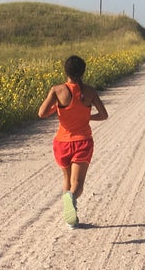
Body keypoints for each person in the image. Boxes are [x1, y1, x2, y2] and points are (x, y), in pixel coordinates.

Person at [38, 55, 108, 229]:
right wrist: (86, 116)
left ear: (65, 71)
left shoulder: (57, 90)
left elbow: (42, 113)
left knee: (67, 178)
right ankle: (72, 199)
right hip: (82, 141)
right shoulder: (90, 91)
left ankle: (70, 217)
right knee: (78, 184)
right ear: (83, 71)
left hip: (62, 142)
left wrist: (58, 108)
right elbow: (104, 115)